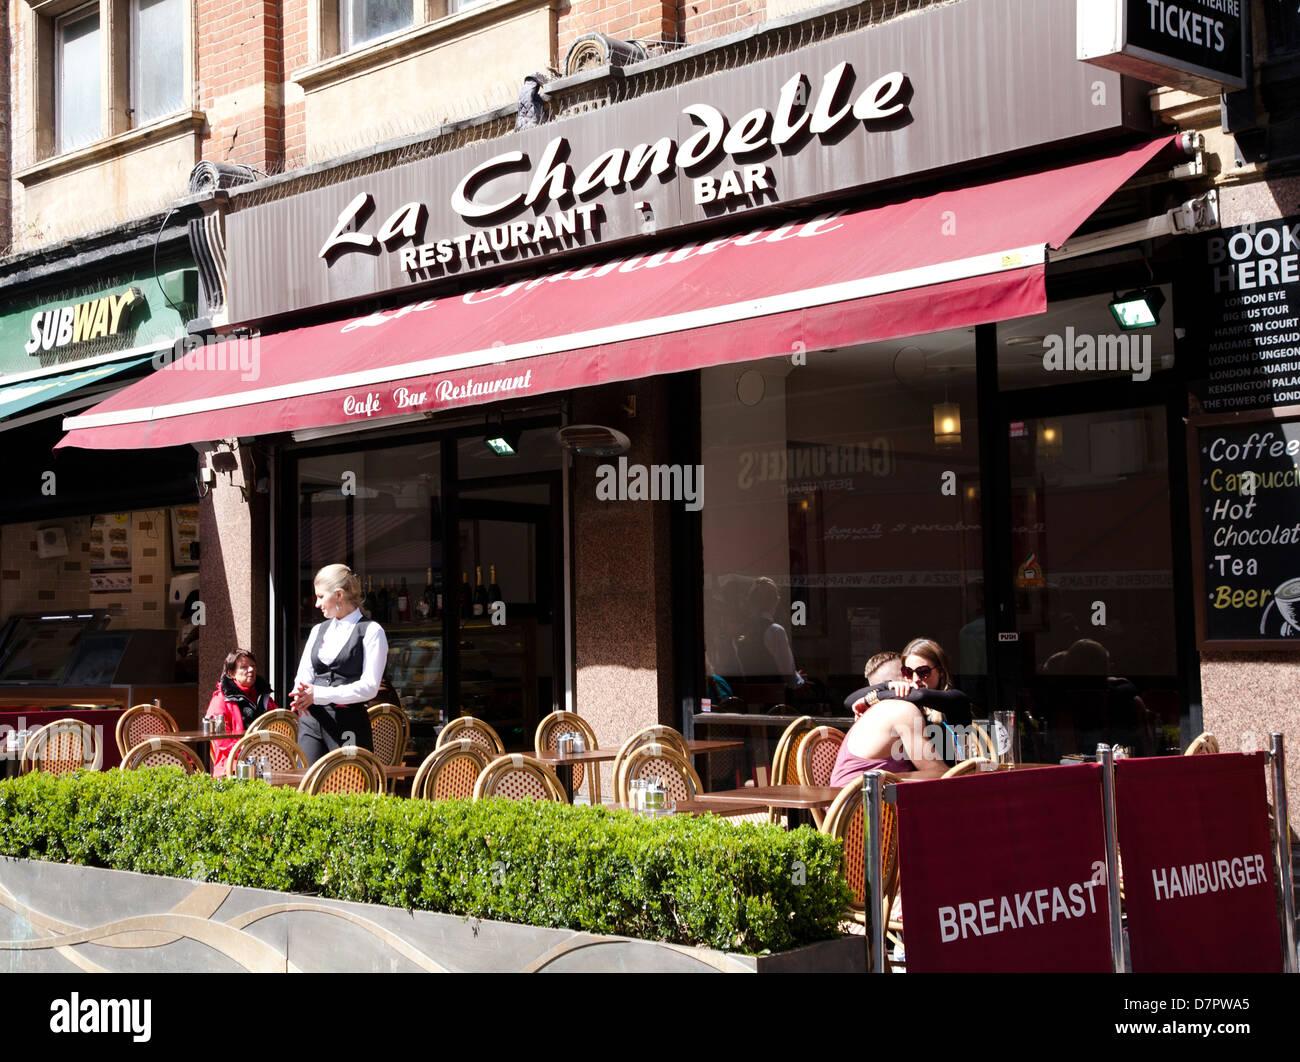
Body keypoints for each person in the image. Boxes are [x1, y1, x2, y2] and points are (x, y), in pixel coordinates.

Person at [290, 563, 386, 763]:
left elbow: (369, 688)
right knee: (305, 785)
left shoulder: (371, 631)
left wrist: (319, 694)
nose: (316, 604)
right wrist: (300, 693)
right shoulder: (318, 630)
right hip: (312, 720)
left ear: (339, 595)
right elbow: (304, 674)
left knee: (349, 787)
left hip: (348, 721)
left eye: (321, 596)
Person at [828, 693, 950, 785]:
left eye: (923, 672)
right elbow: (939, 773)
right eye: (907, 672)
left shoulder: (876, 710)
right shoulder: (902, 710)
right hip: (863, 810)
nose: (915, 679)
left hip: (843, 809)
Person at [205, 648, 280, 777]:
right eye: (244, 667)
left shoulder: (264, 697)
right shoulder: (221, 700)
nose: (251, 670)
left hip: (269, 760)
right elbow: (221, 741)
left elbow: (278, 725)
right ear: (231, 673)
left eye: (253, 666)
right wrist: (250, 751)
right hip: (234, 765)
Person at [732, 576, 804, 687]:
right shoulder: (776, 631)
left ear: (751, 602)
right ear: (775, 601)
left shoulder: (743, 630)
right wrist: (799, 679)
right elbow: (790, 677)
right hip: (775, 696)